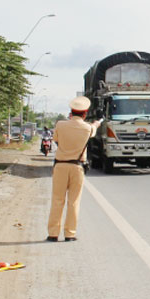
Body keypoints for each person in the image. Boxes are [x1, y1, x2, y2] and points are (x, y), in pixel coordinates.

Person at [47, 96, 101, 242]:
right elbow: (93, 130)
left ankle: (53, 233)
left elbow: (56, 140)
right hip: (77, 167)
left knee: (57, 200)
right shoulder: (88, 128)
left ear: (71, 112)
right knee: (74, 201)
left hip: (60, 166)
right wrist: (97, 123)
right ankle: (70, 234)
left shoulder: (60, 124)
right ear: (85, 114)